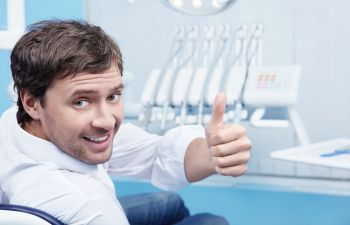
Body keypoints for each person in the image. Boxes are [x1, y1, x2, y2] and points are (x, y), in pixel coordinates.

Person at [0, 20, 251, 225]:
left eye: (113, 96)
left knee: (169, 203)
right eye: (81, 102)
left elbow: (156, 154)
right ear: (32, 102)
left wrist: (210, 154)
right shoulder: (91, 206)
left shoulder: (15, 120)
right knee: (211, 222)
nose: (106, 121)